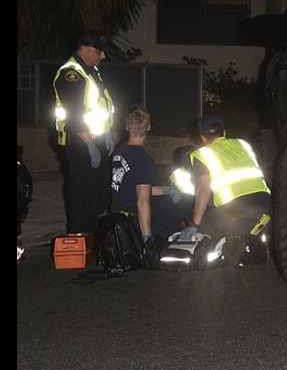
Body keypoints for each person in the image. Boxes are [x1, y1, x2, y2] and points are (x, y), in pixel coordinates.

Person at [180, 116, 271, 268]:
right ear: (224, 132)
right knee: (244, 225)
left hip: (235, 209)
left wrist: (194, 225)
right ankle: (251, 242)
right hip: (266, 205)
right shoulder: (243, 144)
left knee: (205, 226)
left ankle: (224, 248)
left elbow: (204, 189)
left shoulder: (202, 154)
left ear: (202, 138)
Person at [53, 31, 117, 236]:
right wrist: (89, 143)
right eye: (100, 52)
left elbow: (99, 107)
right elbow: (74, 113)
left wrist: (106, 133)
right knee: (82, 195)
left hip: (97, 140)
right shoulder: (71, 73)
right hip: (81, 144)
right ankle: (78, 238)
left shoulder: (91, 71)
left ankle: (92, 238)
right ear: (87, 50)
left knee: (100, 195)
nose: (103, 56)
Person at [110, 105, 190, 246]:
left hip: (118, 213)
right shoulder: (143, 159)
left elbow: (132, 186)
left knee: (169, 198)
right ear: (148, 128)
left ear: (127, 127)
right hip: (132, 218)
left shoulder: (119, 152)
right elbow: (142, 200)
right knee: (180, 205)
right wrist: (147, 237)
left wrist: (166, 190)